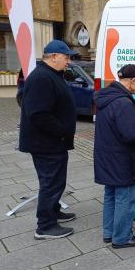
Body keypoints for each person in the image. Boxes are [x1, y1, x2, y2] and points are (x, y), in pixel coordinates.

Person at [19, 40, 78, 239]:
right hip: (47, 143)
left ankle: (53, 211)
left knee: (57, 181)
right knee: (50, 183)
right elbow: (38, 114)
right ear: (53, 56)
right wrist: (62, 131)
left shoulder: (51, 74)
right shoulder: (42, 77)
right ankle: (44, 226)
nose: (69, 61)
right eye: (66, 57)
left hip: (53, 142)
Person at [94, 64, 135, 248]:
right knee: (125, 198)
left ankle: (109, 233)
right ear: (133, 80)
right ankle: (122, 238)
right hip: (122, 159)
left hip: (107, 157)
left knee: (111, 195)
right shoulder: (123, 102)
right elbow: (132, 134)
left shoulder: (107, 97)